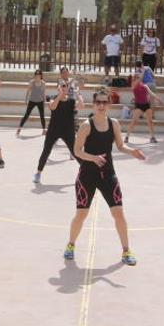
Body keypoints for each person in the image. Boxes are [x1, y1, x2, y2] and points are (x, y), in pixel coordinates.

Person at [65, 89, 146, 266]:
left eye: (104, 102)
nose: (101, 106)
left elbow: (120, 145)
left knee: (119, 214)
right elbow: (77, 151)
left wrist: (132, 151)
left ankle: (126, 251)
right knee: (81, 215)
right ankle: (71, 245)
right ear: (93, 105)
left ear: (109, 105)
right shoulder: (87, 125)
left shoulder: (114, 124)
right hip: (87, 175)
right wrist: (93, 158)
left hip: (108, 174)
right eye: (98, 102)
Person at [34, 80, 81, 183]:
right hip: (53, 130)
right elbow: (52, 107)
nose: (64, 88)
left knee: (75, 151)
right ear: (58, 88)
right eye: (62, 86)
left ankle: (86, 171)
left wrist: (78, 95)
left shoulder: (71, 101)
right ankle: (38, 173)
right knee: (46, 151)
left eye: (66, 86)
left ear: (68, 88)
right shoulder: (53, 99)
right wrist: (60, 95)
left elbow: (81, 106)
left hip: (68, 130)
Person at [125, 77, 163, 144]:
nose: (139, 79)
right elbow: (134, 84)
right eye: (137, 78)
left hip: (146, 105)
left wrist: (158, 99)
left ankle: (152, 137)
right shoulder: (134, 85)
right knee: (134, 121)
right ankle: (127, 137)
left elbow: (151, 93)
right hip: (139, 105)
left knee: (150, 121)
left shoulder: (145, 86)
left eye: (139, 78)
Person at [16, 69, 47, 136]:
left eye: (39, 75)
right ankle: (19, 128)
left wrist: (44, 101)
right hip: (32, 100)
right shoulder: (32, 82)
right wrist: (26, 99)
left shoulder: (43, 83)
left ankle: (44, 130)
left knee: (42, 116)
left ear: (41, 76)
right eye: (36, 75)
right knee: (26, 115)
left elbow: (44, 93)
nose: (37, 76)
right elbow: (28, 91)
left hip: (40, 101)